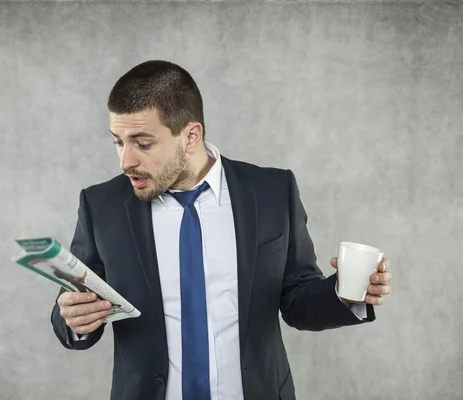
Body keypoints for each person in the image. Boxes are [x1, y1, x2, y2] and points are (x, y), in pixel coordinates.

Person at [50, 60, 393, 400]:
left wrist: (343, 295)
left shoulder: (272, 192)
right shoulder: (101, 205)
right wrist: (72, 317)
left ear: (191, 136)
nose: (126, 161)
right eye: (117, 142)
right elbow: (77, 298)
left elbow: (296, 299)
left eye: (142, 143)